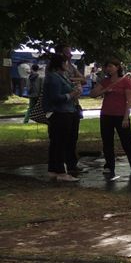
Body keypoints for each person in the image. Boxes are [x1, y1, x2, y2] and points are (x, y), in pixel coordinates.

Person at [89, 59, 131, 175]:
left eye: (111, 66)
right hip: (106, 115)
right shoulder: (105, 81)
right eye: (107, 67)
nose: (108, 69)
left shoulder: (125, 81)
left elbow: (129, 100)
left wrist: (126, 117)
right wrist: (105, 90)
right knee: (107, 141)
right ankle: (109, 165)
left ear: (117, 67)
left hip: (120, 115)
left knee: (127, 141)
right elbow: (92, 94)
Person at [42, 54, 82, 182]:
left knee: (57, 143)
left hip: (66, 112)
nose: (67, 66)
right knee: (60, 143)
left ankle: (53, 169)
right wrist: (71, 94)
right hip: (60, 113)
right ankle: (61, 172)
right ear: (60, 64)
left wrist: (75, 91)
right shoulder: (53, 78)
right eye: (65, 63)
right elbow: (55, 97)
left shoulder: (61, 76)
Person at [57, 44, 86, 173]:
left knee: (73, 137)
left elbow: (83, 79)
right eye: (68, 53)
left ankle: (71, 164)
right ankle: (61, 166)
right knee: (63, 138)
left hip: (73, 106)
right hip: (62, 109)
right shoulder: (54, 69)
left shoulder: (71, 66)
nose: (71, 55)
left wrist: (72, 79)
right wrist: (73, 81)